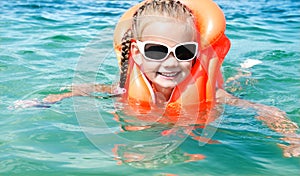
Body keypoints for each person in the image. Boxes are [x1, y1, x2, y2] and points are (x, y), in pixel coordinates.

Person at [40, 0, 299, 157]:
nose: (172, 62)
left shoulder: (215, 96)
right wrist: (49, 100)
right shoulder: (121, 89)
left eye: (185, 52)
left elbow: (266, 110)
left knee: (237, 82)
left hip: (214, 92)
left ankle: (246, 69)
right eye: (157, 50)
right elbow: (84, 89)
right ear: (137, 53)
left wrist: (291, 137)